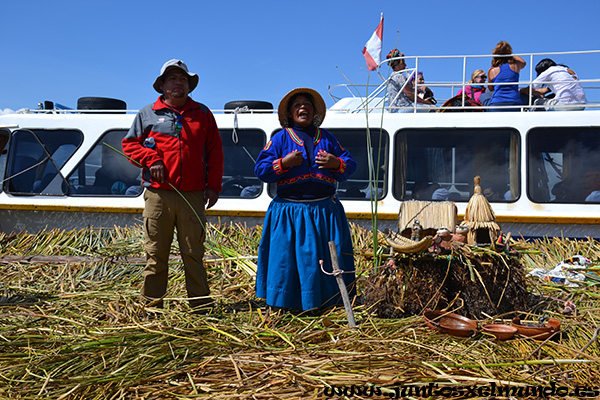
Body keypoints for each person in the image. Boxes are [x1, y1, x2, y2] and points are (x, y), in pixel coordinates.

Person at [122, 59, 224, 312]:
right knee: (155, 255)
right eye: (173, 79)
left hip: (193, 195)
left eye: (183, 79)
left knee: (193, 253)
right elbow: (130, 145)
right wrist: (151, 158)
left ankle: (201, 308)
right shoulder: (148, 114)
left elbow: (215, 153)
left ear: (189, 86)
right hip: (158, 196)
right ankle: (152, 306)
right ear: (163, 86)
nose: (178, 83)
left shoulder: (202, 113)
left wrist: (214, 187)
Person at [254, 88, 357, 311]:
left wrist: (334, 163)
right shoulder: (280, 139)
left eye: (307, 105)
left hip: (324, 212)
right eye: (297, 105)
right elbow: (261, 170)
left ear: (314, 112)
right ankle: (285, 303)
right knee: (286, 261)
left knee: (327, 259)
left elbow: (350, 165)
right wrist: (284, 163)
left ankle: (328, 301)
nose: (303, 108)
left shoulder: (327, 138)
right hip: (290, 213)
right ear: (290, 113)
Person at [481, 41, 526, 112]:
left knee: (483, 96)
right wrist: (509, 54)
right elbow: (523, 62)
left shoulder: (491, 70)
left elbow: (490, 88)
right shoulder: (515, 66)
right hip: (514, 104)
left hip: (496, 105)